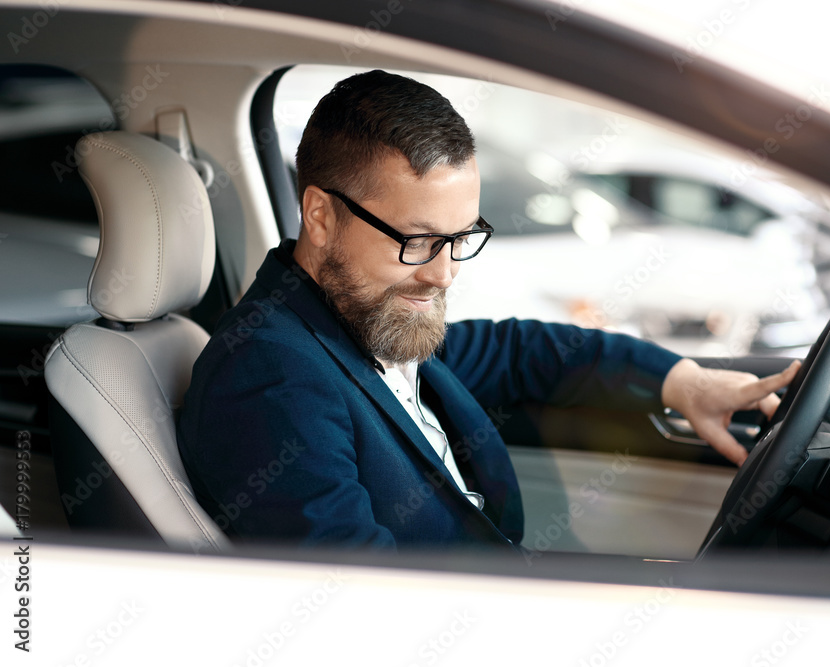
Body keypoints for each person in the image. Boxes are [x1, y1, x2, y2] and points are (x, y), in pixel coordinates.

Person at [177, 69, 798, 552]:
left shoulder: (362, 318)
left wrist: (683, 381)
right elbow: (357, 603)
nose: (443, 272)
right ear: (320, 215)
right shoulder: (269, 380)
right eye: (416, 241)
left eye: (460, 238)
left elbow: (523, 351)